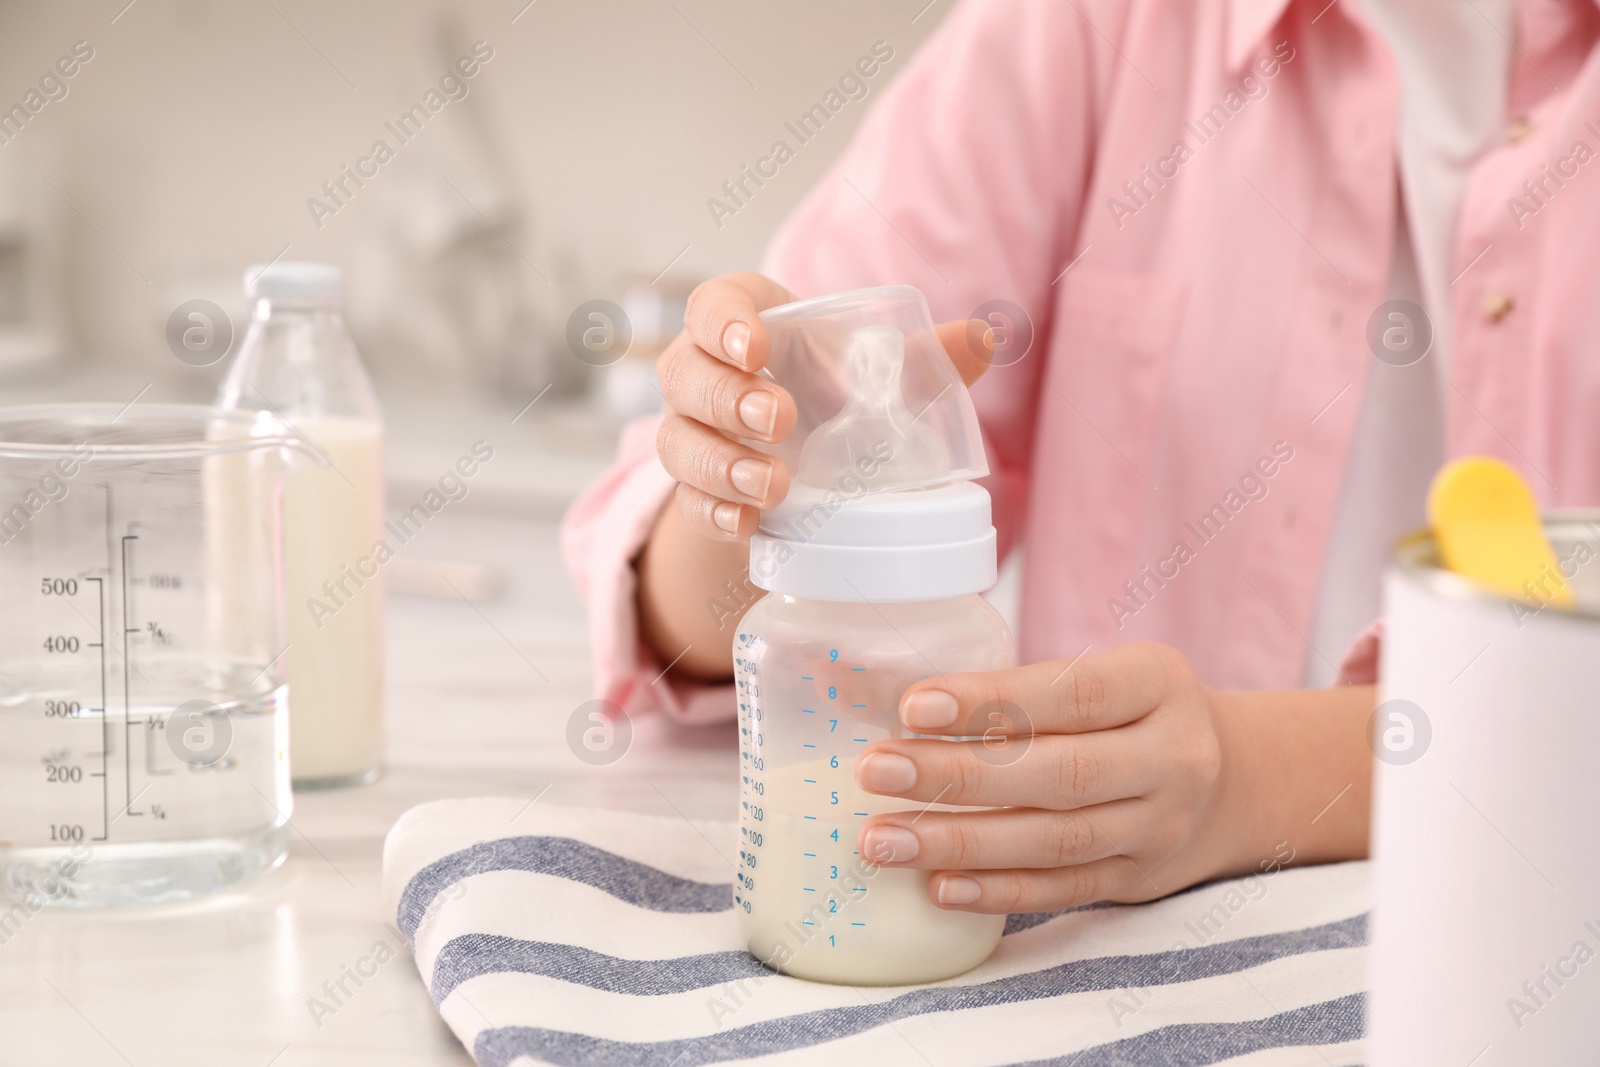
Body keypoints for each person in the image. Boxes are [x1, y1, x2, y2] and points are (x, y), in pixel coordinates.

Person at [563, 0, 1600, 914]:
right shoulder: (1084, 27)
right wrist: (748, 481)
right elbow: (687, 620)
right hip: (1081, 979)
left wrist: (1257, 777)